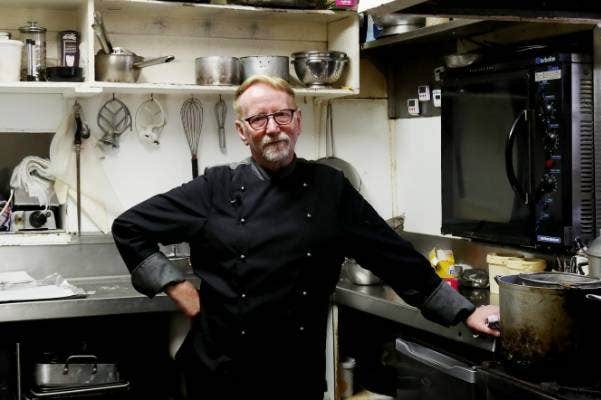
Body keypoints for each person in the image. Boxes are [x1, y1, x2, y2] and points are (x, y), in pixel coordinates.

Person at [112, 75, 500, 399]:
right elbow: (130, 227)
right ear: (242, 132)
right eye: (258, 119)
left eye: (281, 115)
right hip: (219, 371)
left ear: (297, 121)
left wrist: (464, 311)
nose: (273, 128)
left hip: (296, 373)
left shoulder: (331, 189)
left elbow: (392, 255)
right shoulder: (215, 188)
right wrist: (176, 286)